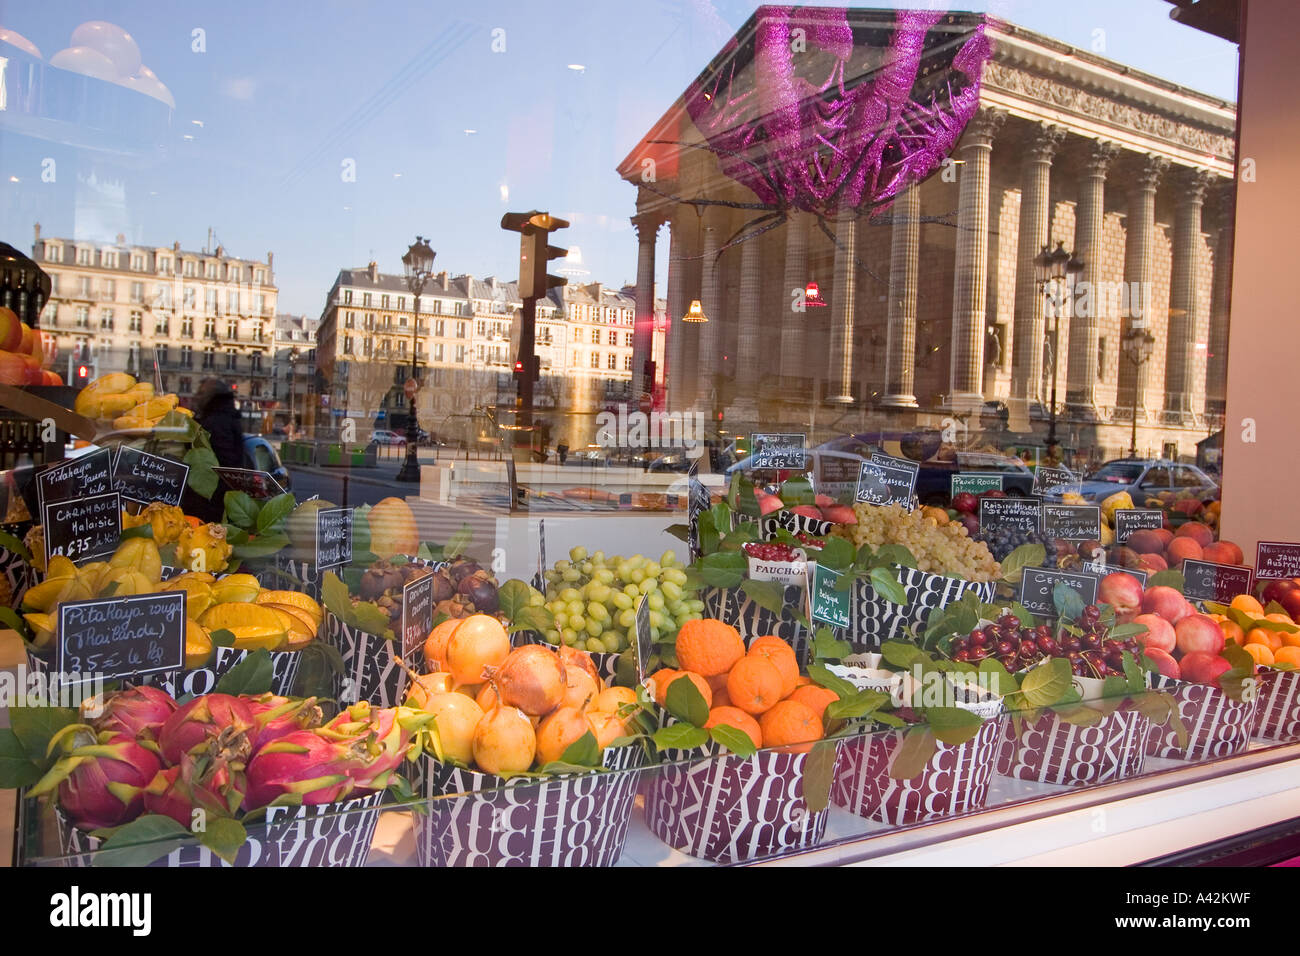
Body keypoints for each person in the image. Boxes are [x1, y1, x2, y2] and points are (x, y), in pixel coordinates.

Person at [184, 378, 244, 522]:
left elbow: (224, 464)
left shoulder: (217, 422)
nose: (197, 396)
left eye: (201, 393)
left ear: (211, 396)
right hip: (214, 499)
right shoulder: (223, 417)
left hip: (211, 501)